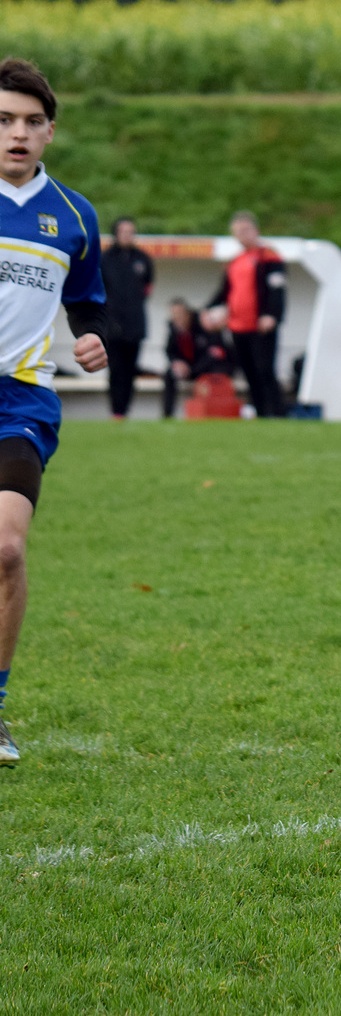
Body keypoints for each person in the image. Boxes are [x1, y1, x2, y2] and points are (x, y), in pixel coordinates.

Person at [0, 59, 109, 766]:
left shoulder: (73, 215)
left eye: (32, 122)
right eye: (4, 120)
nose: (18, 133)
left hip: (22, 400)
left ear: (50, 133)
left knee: (6, 550)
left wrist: (94, 338)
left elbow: (89, 305)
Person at [208, 210, 285, 419]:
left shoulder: (268, 257)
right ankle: (260, 411)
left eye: (245, 230)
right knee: (248, 371)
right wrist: (208, 310)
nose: (242, 235)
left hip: (260, 325)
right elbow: (224, 292)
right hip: (237, 325)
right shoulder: (235, 261)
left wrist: (271, 314)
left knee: (265, 369)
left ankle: (275, 412)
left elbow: (277, 289)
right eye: (238, 231)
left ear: (255, 231)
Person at [98, 216, 152, 419]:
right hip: (112, 325)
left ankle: (126, 411)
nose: (128, 236)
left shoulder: (143, 259)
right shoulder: (105, 259)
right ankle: (116, 411)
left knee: (131, 370)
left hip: (135, 324)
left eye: (131, 232)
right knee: (116, 370)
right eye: (124, 232)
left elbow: (147, 287)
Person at [163, 300, 233, 418]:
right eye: (174, 314)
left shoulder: (203, 327)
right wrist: (177, 363)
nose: (177, 318)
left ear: (188, 314)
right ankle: (167, 415)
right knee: (169, 374)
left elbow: (213, 353)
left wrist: (192, 369)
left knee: (214, 375)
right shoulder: (173, 330)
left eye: (180, 314)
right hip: (187, 368)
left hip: (204, 368)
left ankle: (213, 413)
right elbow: (170, 351)